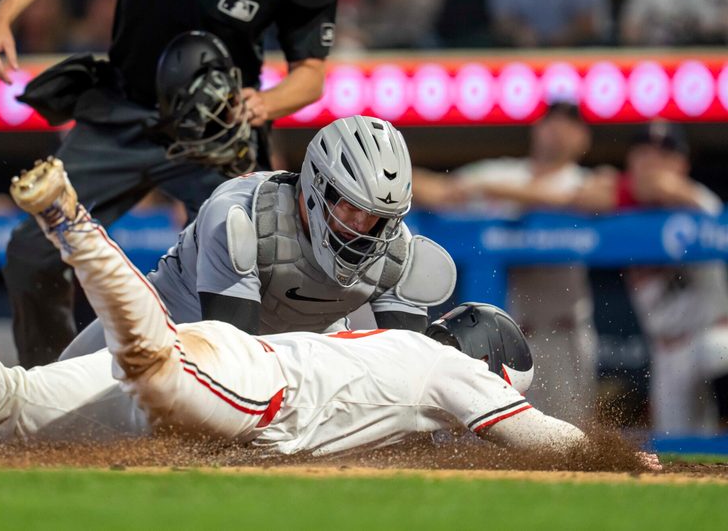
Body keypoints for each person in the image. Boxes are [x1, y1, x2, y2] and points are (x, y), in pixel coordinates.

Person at [0, 157, 608, 460]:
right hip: (250, 383)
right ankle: (72, 222)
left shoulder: (392, 351)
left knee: (12, 405)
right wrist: (622, 460)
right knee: (152, 359)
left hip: (232, 375)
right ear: (489, 361)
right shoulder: (444, 368)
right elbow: (538, 435)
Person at [0, 0, 338, 367]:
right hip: (121, 111)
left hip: (215, 138)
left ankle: (228, 395)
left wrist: (265, 102)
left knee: (246, 263)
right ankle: (46, 392)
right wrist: (1, 16)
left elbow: (312, 73)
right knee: (31, 252)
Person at [58, 114, 455, 361]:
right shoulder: (242, 216)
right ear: (317, 185)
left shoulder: (397, 248)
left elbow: (410, 368)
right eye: (349, 205)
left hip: (296, 356)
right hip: (171, 328)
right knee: (49, 404)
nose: (360, 224)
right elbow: (233, 361)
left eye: (376, 216)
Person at [413, 102, 599, 424]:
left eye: (569, 124)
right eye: (551, 121)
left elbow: (593, 198)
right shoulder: (505, 171)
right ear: (536, 128)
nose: (558, 130)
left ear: (584, 137)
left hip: (565, 333)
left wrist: (492, 191)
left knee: (574, 431)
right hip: (514, 335)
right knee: (508, 434)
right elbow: (429, 188)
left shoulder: (585, 179)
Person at [579, 122, 728, 435]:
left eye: (664, 155)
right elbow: (584, 198)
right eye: (644, 154)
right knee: (676, 446)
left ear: (683, 163)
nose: (653, 163)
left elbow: (669, 189)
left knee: (720, 349)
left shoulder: (697, 200)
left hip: (710, 336)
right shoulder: (624, 205)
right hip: (666, 351)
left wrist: (632, 184)